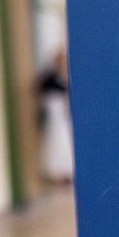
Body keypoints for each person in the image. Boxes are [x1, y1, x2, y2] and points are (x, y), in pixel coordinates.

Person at [37, 47, 74, 183]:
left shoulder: (69, 77)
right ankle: (56, 171)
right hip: (56, 117)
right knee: (56, 142)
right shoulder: (50, 79)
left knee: (66, 142)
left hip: (66, 118)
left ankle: (68, 171)